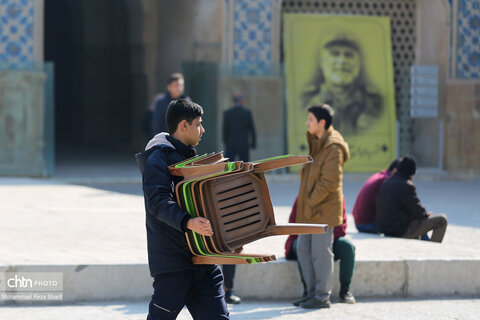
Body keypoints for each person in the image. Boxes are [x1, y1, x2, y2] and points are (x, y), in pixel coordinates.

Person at [137, 99, 229, 320]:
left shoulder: (192, 158)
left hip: (204, 261)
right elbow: (157, 202)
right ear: (183, 126)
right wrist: (189, 222)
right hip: (173, 265)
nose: (203, 130)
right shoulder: (157, 159)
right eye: (198, 124)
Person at [295, 104, 350, 309]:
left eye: (310, 119)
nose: (307, 123)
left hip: (323, 210)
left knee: (321, 253)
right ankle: (311, 293)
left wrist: (310, 203)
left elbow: (329, 182)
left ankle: (321, 296)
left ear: (322, 123)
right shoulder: (316, 142)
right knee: (303, 249)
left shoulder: (334, 147)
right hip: (309, 209)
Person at [301, 32, 382, 135]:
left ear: (359, 63)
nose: (342, 61)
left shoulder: (375, 105)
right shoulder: (305, 102)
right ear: (322, 62)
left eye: (349, 55)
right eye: (335, 54)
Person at [286, 196, 356, 305]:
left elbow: (340, 226)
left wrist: (323, 243)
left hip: (329, 240)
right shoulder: (303, 195)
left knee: (347, 247)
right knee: (301, 247)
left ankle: (345, 290)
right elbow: (293, 222)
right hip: (304, 238)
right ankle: (308, 291)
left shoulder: (335, 197)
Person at [376, 156, 448, 243]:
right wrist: (426, 214)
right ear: (412, 173)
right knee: (441, 220)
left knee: (417, 223)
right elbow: (418, 211)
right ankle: (433, 250)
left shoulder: (386, 182)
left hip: (386, 229)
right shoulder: (406, 185)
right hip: (399, 231)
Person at [352, 158, 401, 233]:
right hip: (367, 224)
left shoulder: (380, 175)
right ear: (395, 171)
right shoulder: (387, 181)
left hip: (358, 222)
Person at [222, 93, 256, 162]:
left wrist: (225, 141)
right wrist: (253, 143)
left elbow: (225, 129)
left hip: (231, 144)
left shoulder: (228, 113)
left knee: (229, 165)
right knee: (245, 166)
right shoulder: (247, 113)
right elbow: (252, 129)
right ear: (241, 101)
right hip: (243, 144)